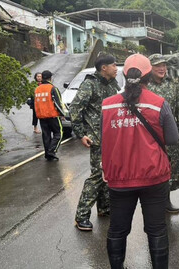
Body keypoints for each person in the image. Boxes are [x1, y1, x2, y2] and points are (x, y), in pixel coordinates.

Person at [101, 54, 179, 269]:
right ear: (148, 76)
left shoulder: (107, 106)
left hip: (119, 178)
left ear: (125, 75)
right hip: (154, 177)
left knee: (117, 229)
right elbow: (172, 139)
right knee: (156, 229)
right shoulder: (159, 104)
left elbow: (104, 137)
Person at [70, 54, 120, 231]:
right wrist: (81, 133)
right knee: (97, 176)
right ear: (103, 68)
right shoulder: (90, 84)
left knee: (108, 175)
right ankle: (81, 216)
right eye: (113, 65)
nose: (116, 68)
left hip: (112, 137)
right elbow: (75, 108)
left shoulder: (113, 84)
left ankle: (105, 208)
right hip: (97, 139)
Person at [147, 54, 179, 214]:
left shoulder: (172, 85)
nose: (162, 68)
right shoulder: (145, 86)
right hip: (150, 136)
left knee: (170, 168)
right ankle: (152, 202)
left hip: (169, 134)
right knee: (152, 168)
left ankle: (166, 200)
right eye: (157, 65)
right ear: (150, 68)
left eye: (163, 65)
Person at [34, 70, 65, 161]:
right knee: (59, 133)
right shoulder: (53, 88)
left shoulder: (37, 89)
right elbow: (58, 103)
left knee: (46, 135)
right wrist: (62, 114)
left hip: (41, 116)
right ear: (50, 78)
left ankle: (48, 154)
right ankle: (52, 150)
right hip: (53, 115)